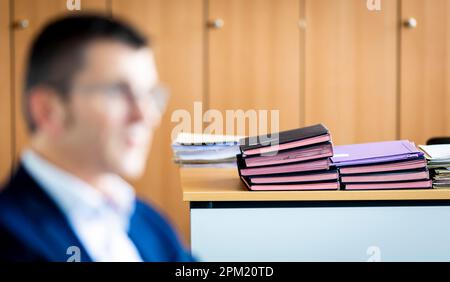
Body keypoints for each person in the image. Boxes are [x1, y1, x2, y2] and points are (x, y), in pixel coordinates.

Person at [0, 14, 194, 262]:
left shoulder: (147, 221)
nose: (146, 116)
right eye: (118, 92)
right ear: (48, 110)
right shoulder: (10, 240)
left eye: (149, 94)